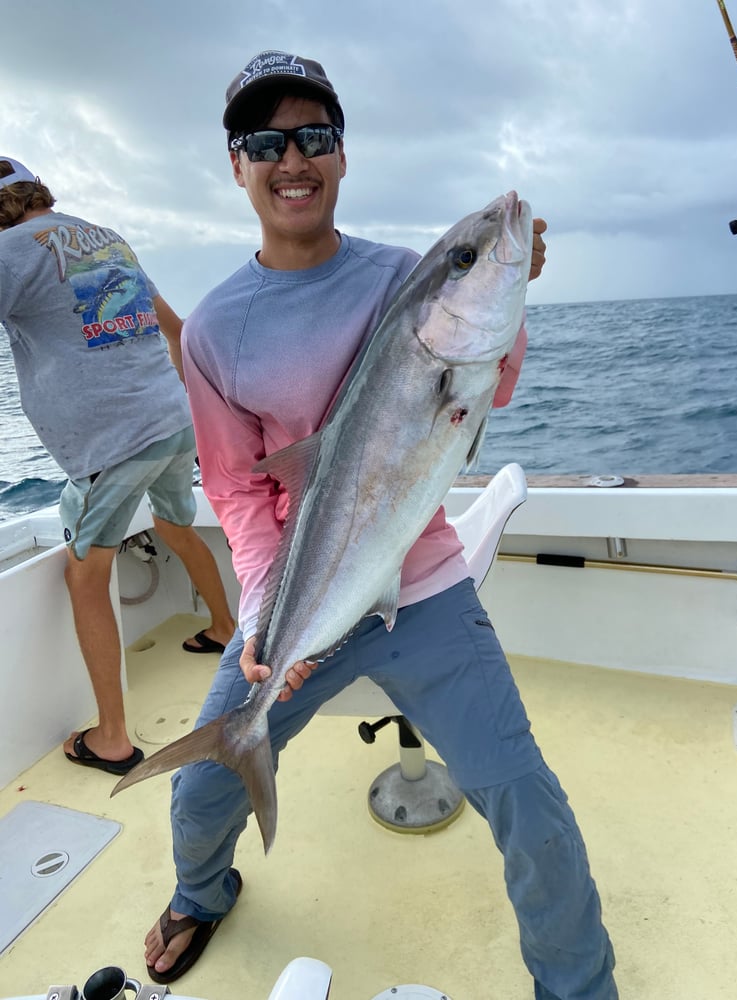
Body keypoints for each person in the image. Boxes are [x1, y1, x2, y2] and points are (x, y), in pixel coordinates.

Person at [143, 51, 618, 998]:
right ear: (237, 164)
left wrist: (508, 291)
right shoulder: (212, 330)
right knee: (199, 788)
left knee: (525, 798)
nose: (293, 159)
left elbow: (489, 387)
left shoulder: (410, 277)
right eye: (267, 141)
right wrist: (275, 620)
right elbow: (238, 490)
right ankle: (202, 893)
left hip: (424, 583)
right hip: (299, 594)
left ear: (343, 155)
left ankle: (580, 985)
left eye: (314, 136)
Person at [0, 158, 236, 775]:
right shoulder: (104, 237)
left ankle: (111, 738)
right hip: (171, 419)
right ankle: (222, 626)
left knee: (86, 576)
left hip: (114, 442)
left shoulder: (10, 252)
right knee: (177, 528)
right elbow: (176, 329)